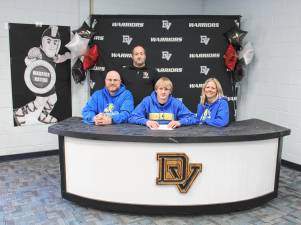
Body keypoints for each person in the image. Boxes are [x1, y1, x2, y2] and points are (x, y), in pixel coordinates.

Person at [13, 25, 71, 125]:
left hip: (50, 84)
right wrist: (31, 55)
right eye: (49, 41)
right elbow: (30, 61)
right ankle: (19, 112)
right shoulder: (40, 53)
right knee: (39, 101)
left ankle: (43, 116)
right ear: (43, 42)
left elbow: (60, 58)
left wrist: (66, 56)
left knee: (53, 99)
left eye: (55, 42)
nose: (52, 45)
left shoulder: (54, 57)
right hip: (40, 83)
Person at [128, 77, 197, 129]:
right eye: (160, 89)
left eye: (166, 89)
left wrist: (179, 122)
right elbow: (132, 117)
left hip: (171, 137)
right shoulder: (147, 101)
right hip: (151, 137)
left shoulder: (176, 103)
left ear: (170, 91)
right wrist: (146, 122)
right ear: (156, 90)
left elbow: (193, 118)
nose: (163, 92)